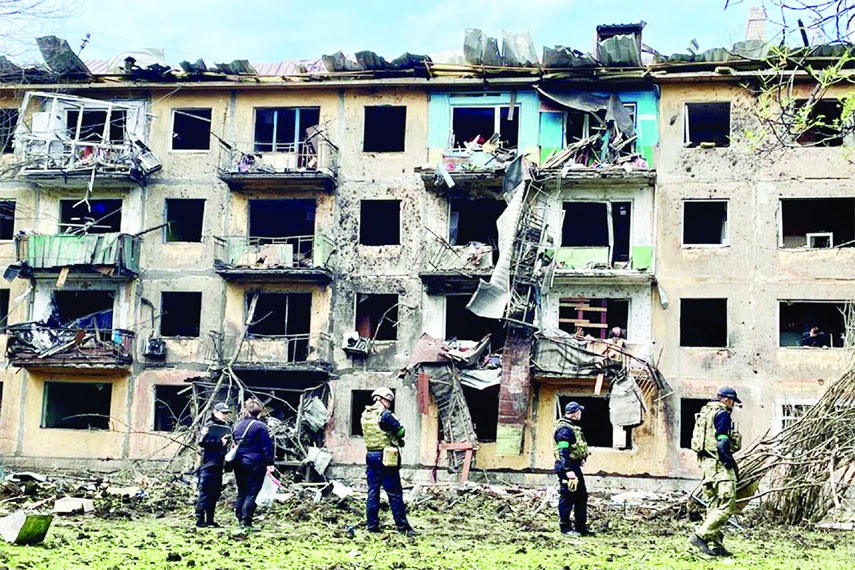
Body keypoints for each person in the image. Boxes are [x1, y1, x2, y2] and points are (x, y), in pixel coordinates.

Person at [689, 386, 743, 557]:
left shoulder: (704, 413)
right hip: (719, 466)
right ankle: (700, 536)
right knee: (727, 505)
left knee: (714, 505)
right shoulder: (722, 415)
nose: (733, 405)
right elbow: (722, 441)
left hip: (706, 466)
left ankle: (716, 545)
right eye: (733, 401)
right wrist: (728, 461)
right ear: (727, 400)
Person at [360, 386, 416, 536]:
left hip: (370, 455)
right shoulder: (385, 415)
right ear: (385, 399)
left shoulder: (365, 414)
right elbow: (401, 432)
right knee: (394, 493)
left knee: (373, 491)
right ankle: (404, 528)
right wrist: (397, 432)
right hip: (386, 456)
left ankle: (372, 526)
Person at [231, 398, 274, 530]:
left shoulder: (236, 426)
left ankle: (239, 518)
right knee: (252, 492)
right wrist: (269, 463)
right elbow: (266, 447)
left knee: (241, 491)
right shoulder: (260, 426)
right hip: (255, 463)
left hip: (238, 462)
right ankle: (246, 521)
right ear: (259, 413)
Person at [553, 401, 594, 537]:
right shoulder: (564, 429)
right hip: (567, 467)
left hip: (573, 465)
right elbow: (563, 451)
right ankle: (565, 527)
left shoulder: (572, 427)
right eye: (579, 412)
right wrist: (568, 470)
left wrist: (580, 458)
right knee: (568, 496)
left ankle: (581, 527)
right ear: (575, 413)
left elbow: (573, 448)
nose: (580, 414)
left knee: (581, 496)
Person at [195, 402, 232, 528]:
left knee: (215, 493)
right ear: (215, 412)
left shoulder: (225, 426)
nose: (225, 416)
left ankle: (210, 519)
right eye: (223, 413)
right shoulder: (209, 425)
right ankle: (200, 519)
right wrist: (219, 442)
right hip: (208, 464)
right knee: (205, 491)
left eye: (226, 413)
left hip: (218, 464)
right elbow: (201, 441)